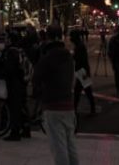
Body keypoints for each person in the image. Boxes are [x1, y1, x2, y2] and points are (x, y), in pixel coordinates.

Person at [34, 25, 78, 165]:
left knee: (59, 147)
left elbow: (36, 79)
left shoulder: (46, 57)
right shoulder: (68, 56)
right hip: (68, 104)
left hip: (52, 106)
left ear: (47, 37)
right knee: (70, 144)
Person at [1, 34, 28, 141]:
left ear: (10, 40)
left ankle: (15, 132)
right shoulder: (20, 51)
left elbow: (10, 69)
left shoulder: (11, 52)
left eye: (7, 38)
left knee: (14, 108)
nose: (5, 41)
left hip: (14, 83)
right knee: (22, 106)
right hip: (22, 82)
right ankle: (26, 129)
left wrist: (2, 74)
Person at [70, 29, 96, 115]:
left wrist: (72, 57)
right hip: (82, 71)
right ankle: (91, 108)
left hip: (82, 71)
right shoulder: (79, 45)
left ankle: (75, 109)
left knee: (81, 91)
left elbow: (79, 59)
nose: (70, 38)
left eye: (71, 36)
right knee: (84, 90)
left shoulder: (79, 46)